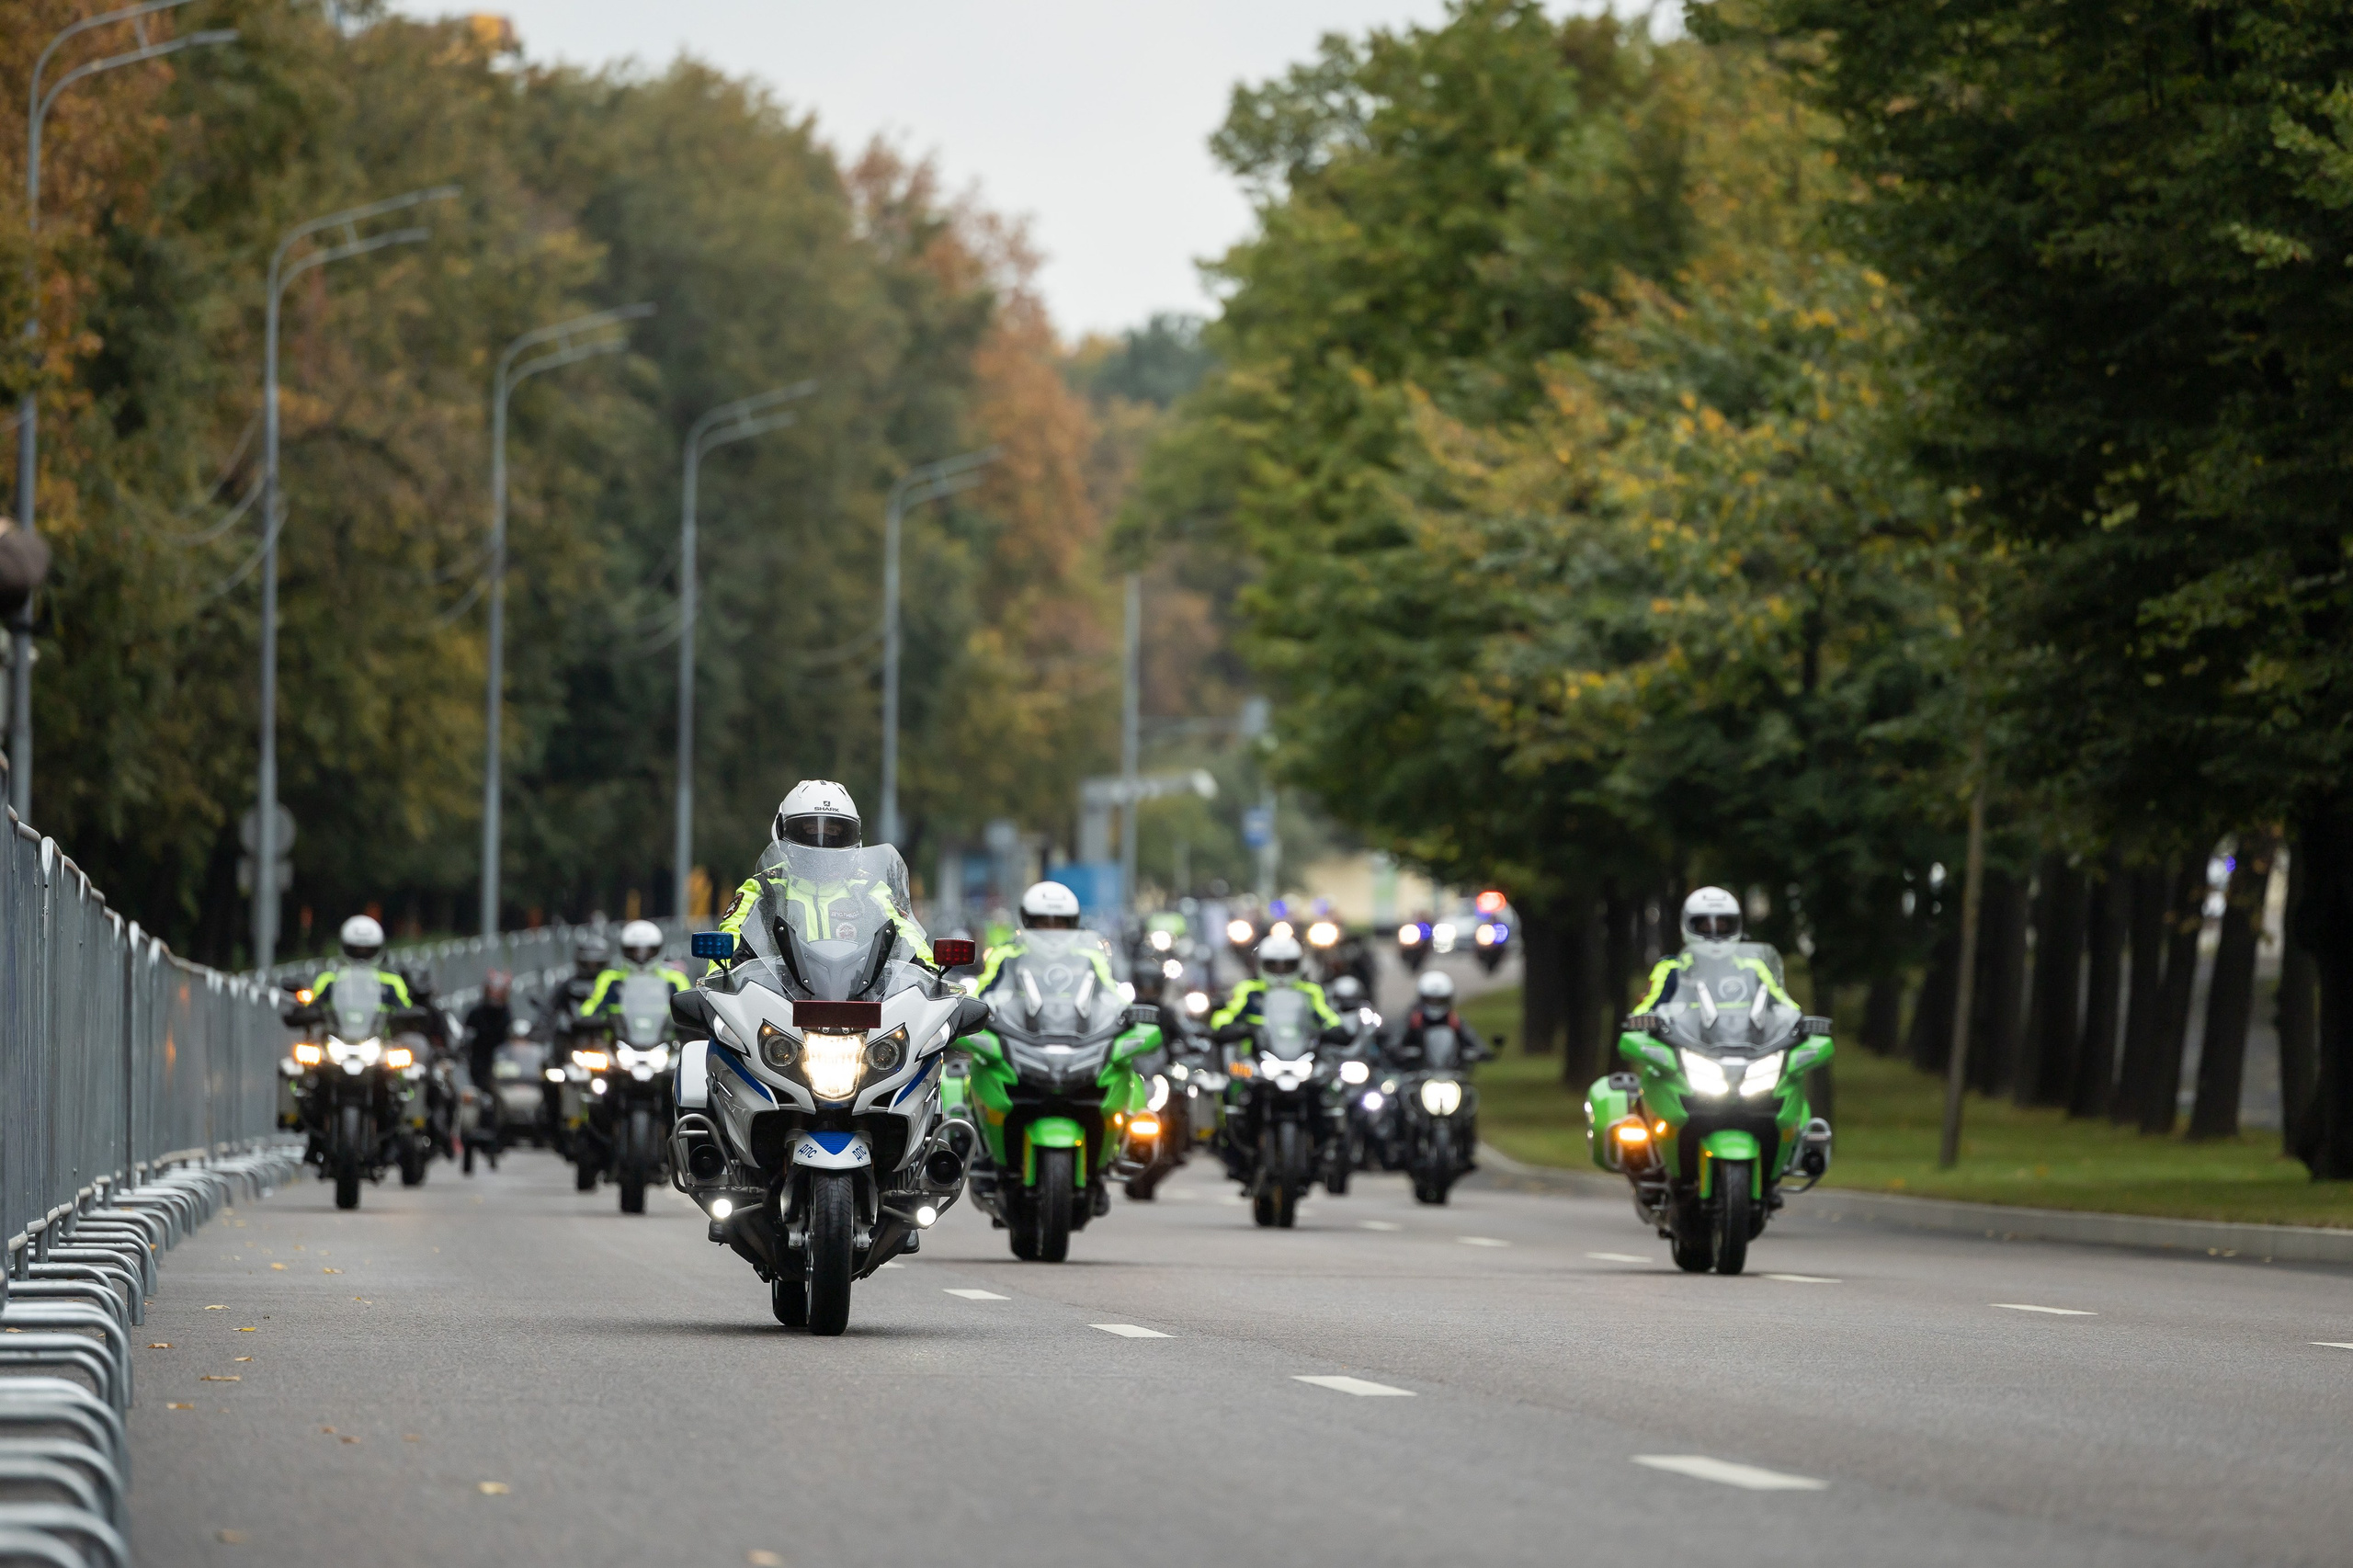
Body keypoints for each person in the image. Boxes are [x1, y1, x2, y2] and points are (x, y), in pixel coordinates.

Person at [714, 779, 927, 958]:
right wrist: (721, 977)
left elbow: (913, 946)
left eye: (834, 831)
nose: (821, 843)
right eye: (809, 830)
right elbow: (729, 947)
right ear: (782, 830)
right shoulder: (763, 889)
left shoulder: (869, 890)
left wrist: (930, 975)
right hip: (778, 1003)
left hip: (861, 1002)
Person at [1631, 887, 1795, 1014]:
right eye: (1705, 926)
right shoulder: (1671, 970)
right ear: (1687, 926)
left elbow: (1786, 1007)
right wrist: (1642, 1021)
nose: (1714, 932)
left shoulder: (1754, 968)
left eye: (1723, 925)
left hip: (1749, 1052)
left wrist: (1799, 1021)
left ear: (1736, 926)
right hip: (1686, 1052)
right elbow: (1646, 1010)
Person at [971, 881, 1109, 999]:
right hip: (1017, 1029)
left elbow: (1111, 995)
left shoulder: (1090, 957)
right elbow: (981, 996)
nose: (1052, 931)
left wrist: (1126, 1011)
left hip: (1081, 1029)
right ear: (1028, 922)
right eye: (1044, 924)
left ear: (1072, 924)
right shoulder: (1005, 955)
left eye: (1059, 924)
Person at [1209, 931, 1342, 1044]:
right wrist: (1227, 1027)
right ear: (1260, 964)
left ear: (1298, 965)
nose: (1280, 971)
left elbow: (1329, 1018)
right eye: (1273, 965)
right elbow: (1227, 1014)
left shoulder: (1310, 992)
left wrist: (1336, 1030)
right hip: (1254, 1058)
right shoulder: (1249, 990)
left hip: (1302, 1055)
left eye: (1287, 965)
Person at [579, 919, 691, 1019]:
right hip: (615, 1040)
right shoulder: (609, 978)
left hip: (668, 1041)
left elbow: (689, 1011)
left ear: (659, 949)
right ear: (624, 950)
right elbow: (590, 1008)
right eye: (634, 951)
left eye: (648, 951)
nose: (640, 957)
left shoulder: (675, 979)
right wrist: (584, 1019)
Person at [303, 915, 414, 1016]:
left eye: (368, 950)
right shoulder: (329, 980)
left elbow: (407, 1010)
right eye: (355, 950)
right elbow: (310, 1007)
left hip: (383, 1036)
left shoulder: (392, 981)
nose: (362, 955)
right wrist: (306, 1011)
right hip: (334, 1036)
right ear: (345, 948)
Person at [1385, 969, 1494, 1072]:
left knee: (1469, 1091)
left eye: (1439, 1000)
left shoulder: (1454, 1020)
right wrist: (1400, 1052)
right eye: (1431, 1000)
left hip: (1451, 1073)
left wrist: (1482, 1052)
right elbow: (1395, 1042)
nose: (1435, 1004)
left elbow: (1473, 1040)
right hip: (1416, 1073)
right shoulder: (1412, 1019)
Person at [460, 971, 514, 1097]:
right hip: (480, 1065)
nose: (495, 995)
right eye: (493, 990)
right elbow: (466, 1037)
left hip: (501, 1064)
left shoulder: (507, 1014)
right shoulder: (475, 1014)